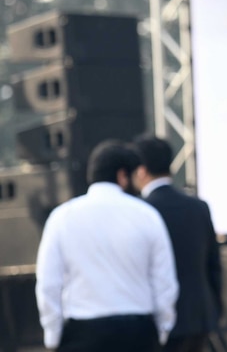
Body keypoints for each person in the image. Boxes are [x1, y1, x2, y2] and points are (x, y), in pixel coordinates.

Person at [35, 139, 178, 352]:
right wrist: (162, 329)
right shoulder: (147, 216)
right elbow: (164, 281)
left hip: (83, 332)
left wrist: (53, 335)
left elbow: (48, 283)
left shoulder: (62, 217)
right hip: (138, 332)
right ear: (122, 176)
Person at [132, 134, 223, 352]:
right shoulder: (199, 207)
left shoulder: (140, 212)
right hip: (199, 316)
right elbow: (214, 265)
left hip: (157, 321)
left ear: (141, 170)